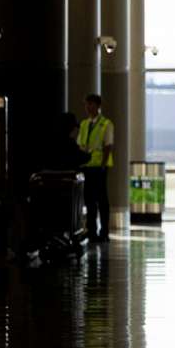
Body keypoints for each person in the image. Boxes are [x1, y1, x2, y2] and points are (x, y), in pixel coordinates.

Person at [77, 94, 114, 242]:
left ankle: (104, 232)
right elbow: (80, 144)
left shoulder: (106, 124)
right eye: (86, 105)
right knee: (89, 200)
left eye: (91, 104)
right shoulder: (84, 124)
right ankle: (91, 231)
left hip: (99, 166)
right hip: (87, 166)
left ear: (98, 106)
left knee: (102, 200)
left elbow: (108, 146)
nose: (88, 108)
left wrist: (103, 165)